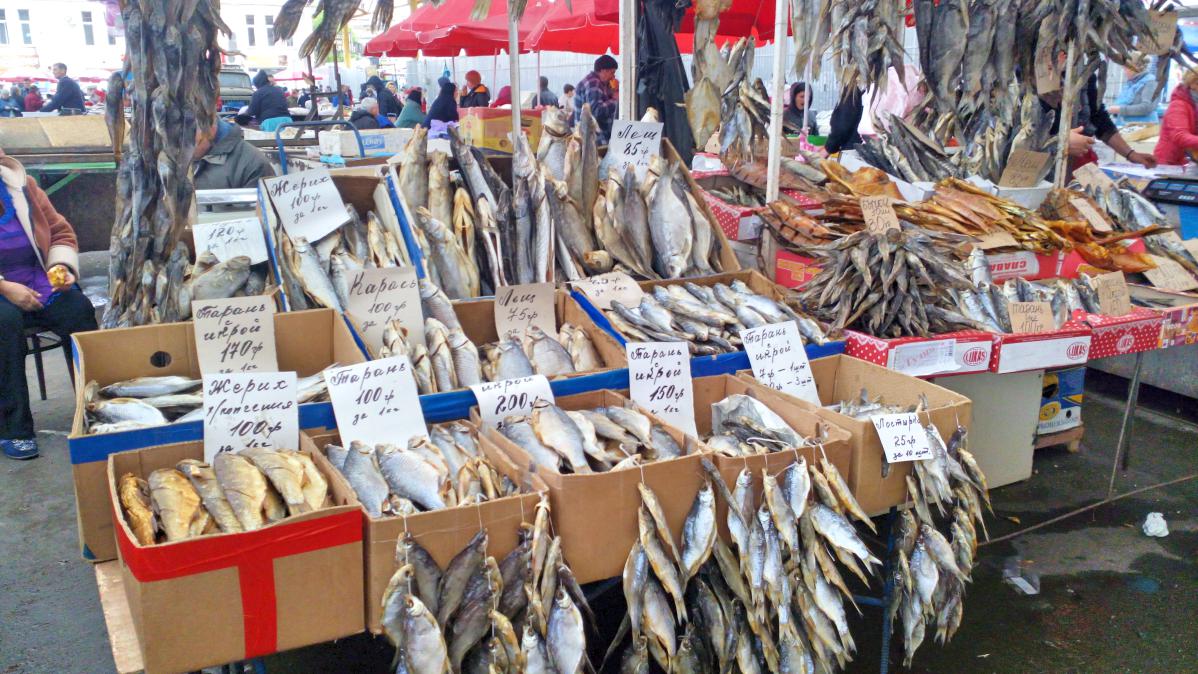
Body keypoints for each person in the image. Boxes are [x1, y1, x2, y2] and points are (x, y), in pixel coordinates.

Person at [0, 150, 97, 459]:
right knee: (6, 323)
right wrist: (5, 287)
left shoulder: (23, 186)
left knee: (78, 309)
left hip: (36, 278)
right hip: (2, 287)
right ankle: (14, 427)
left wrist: (62, 268)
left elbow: (59, 231)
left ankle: (94, 408)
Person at [1040, 66, 1155, 171]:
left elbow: (1099, 118)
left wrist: (1130, 154)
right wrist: (1059, 143)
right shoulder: (1027, 75)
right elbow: (1026, 131)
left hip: (1080, 165)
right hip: (1039, 166)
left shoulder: (1083, 73)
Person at [192, 117, 276, 190]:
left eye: (190, 140)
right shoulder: (181, 158)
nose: (183, 148)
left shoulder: (254, 165)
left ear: (212, 127)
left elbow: (263, 207)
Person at [1153, 67, 1198, 165]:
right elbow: (1179, 136)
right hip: (1169, 163)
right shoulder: (1178, 104)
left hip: (1188, 161)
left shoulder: (1195, 104)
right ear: (1193, 84)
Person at [575, 54, 619, 143]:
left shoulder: (601, 83)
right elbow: (596, 111)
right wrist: (616, 100)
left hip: (596, 137)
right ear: (603, 71)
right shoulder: (594, 83)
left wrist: (612, 92)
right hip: (594, 139)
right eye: (612, 73)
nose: (613, 77)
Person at [1109, 54, 1159, 124]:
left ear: (1135, 67)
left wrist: (1119, 109)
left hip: (1144, 129)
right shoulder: (1131, 83)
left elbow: (1147, 107)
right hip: (1126, 126)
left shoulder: (1151, 82)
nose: (1124, 71)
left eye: (1126, 68)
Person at [825, 85, 864, 154]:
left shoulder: (852, 89)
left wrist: (830, 147)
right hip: (868, 150)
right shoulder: (868, 89)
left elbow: (842, 124)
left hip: (853, 151)